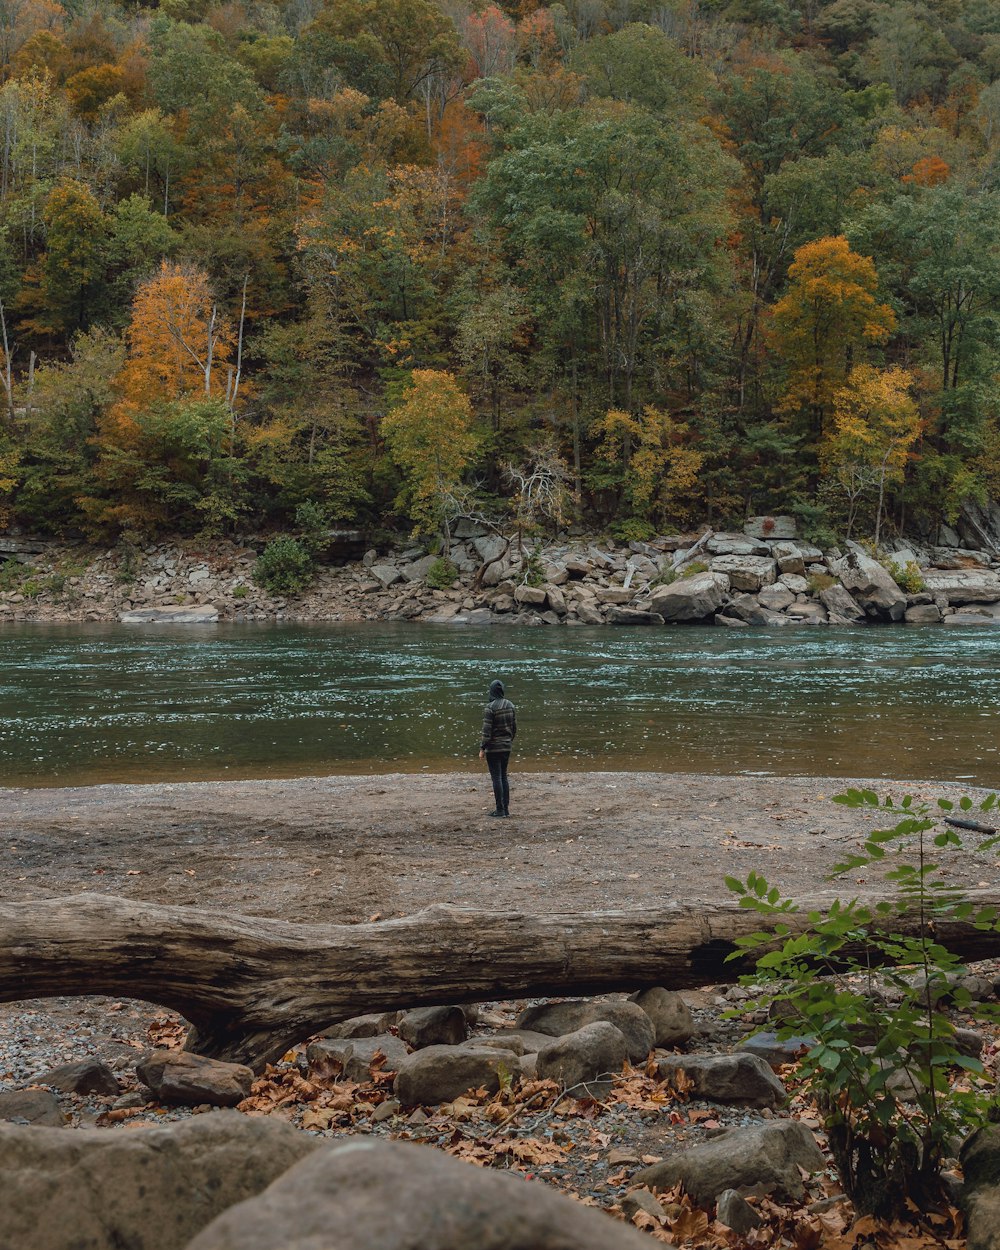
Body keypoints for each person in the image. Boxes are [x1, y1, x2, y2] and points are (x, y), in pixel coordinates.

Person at [479, 678, 516, 818]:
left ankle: (499, 810)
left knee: (496, 778)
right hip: (506, 746)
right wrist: (508, 741)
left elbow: (486, 731)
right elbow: (514, 728)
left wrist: (482, 748)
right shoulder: (510, 705)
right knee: (503, 776)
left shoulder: (490, 707)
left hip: (493, 748)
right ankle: (505, 809)